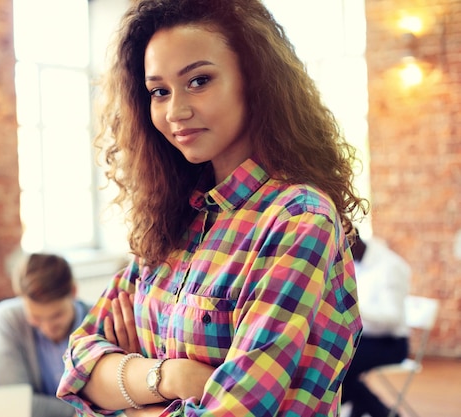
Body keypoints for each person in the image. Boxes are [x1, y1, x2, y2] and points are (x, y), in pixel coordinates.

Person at [56, 0, 369, 416]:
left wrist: (127, 399)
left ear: (254, 80)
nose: (176, 111)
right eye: (159, 91)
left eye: (199, 81)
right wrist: (170, 377)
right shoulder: (173, 221)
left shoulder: (297, 218)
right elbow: (78, 367)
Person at [0, 253, 91, 417]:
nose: (47, 328)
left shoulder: (101, 320)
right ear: (19, 296)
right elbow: (14, 401)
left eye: (57, 316)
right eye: (36, 318)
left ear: (73, 291)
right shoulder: (8, 319)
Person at [341, 228, 412, 417]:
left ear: (353, 242)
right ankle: (367, 411)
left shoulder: (390, 266)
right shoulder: (355, 262)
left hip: (391, 344)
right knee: (331, 356)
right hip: (364, 339)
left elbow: (393, 318)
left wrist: (354, 308)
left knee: (341, 365)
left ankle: (381, 413)